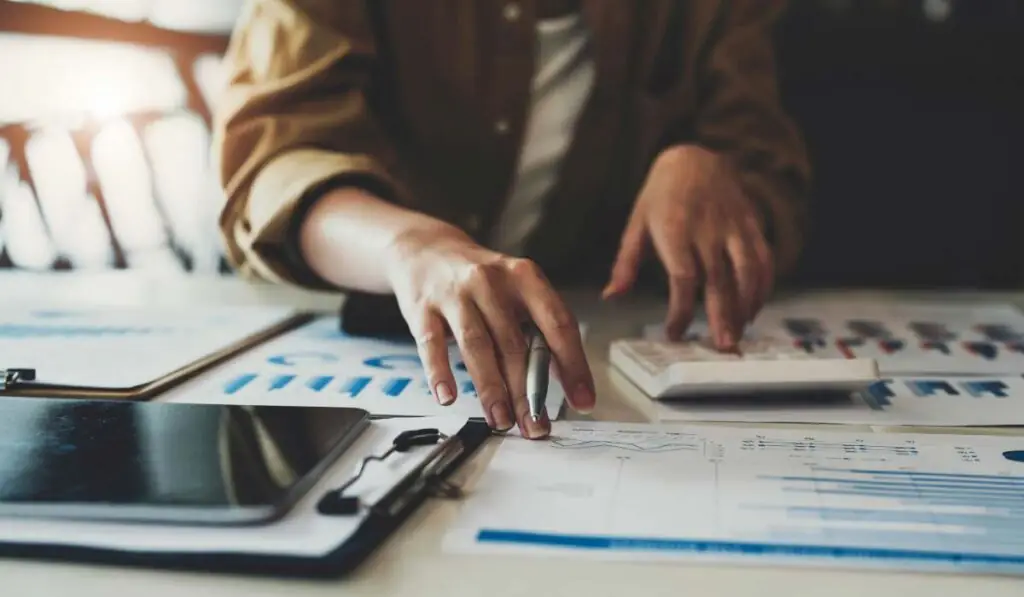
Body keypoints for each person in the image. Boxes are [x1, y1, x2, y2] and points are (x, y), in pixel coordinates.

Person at [213, 0, 811, 438]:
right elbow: (270, 166)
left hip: (603, 354)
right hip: (319, 331)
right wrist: (410, 245)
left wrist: (711, 173)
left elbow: (770, 181)